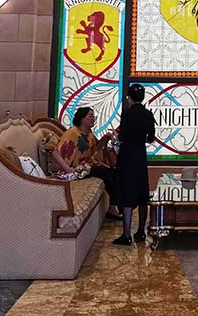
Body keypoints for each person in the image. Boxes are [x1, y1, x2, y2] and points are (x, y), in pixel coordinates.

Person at [52, 107, 121, 220]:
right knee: (106, 174)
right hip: (76, 169)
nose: (93, 119)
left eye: (94, 116)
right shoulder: (72, 133)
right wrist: (69, 170)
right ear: (82, 119)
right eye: (90, 116)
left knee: (112, 173)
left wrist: (104, 140)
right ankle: (112, 208)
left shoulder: (89, 134)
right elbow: (55, 153)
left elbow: (94, 150)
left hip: (86, 166)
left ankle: (115, 206)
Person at [112, 83, 157, 246]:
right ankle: (141, 232)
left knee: (127, 193)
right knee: (142, 193)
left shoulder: (127, 114)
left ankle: (126, 235)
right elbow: (151, 138)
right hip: (140, 156)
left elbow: (122, 136)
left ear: (129, 98)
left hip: (127, 156)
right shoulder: (148, 114)